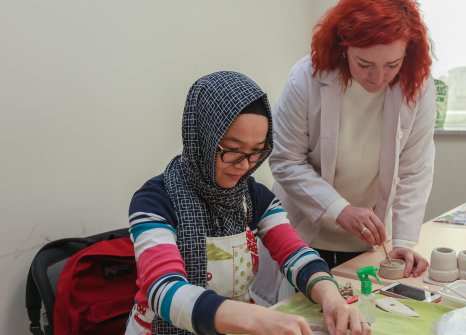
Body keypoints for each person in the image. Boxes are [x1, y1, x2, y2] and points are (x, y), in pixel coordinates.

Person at [125, 71, 369, 335]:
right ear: (202, 139)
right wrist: (255, 318)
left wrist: (331, 297)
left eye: (256, 152)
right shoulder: (154, 202)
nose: (243, 166)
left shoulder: (254, 197)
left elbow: (296, 255)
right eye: (231, 150)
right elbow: (163, 290)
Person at [254, 0, 435, 303]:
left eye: (392, 65)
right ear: (343, 47)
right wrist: (340, 210)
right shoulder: (306, 79)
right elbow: (286, 160)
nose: (378, 78)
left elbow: (416, 168)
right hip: (305, 232)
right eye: (365, 64)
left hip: (368, 243)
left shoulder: (417, 84)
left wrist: (403, 240)